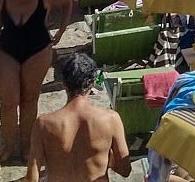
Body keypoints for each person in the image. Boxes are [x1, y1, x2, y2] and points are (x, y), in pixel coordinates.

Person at [0, 0, 73, 166]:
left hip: (38, 50)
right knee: (8, 102)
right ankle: (8, 144)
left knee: (29, 100)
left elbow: (67, 2)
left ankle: (26, 146)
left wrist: (61, 32)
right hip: (8, 50)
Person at [26, 51, 130, 182]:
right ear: (92, 83)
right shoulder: (111, 120)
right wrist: (106, 158)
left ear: (64, 83)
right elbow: (125, 170)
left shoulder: (44, 124)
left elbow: (32, 176)